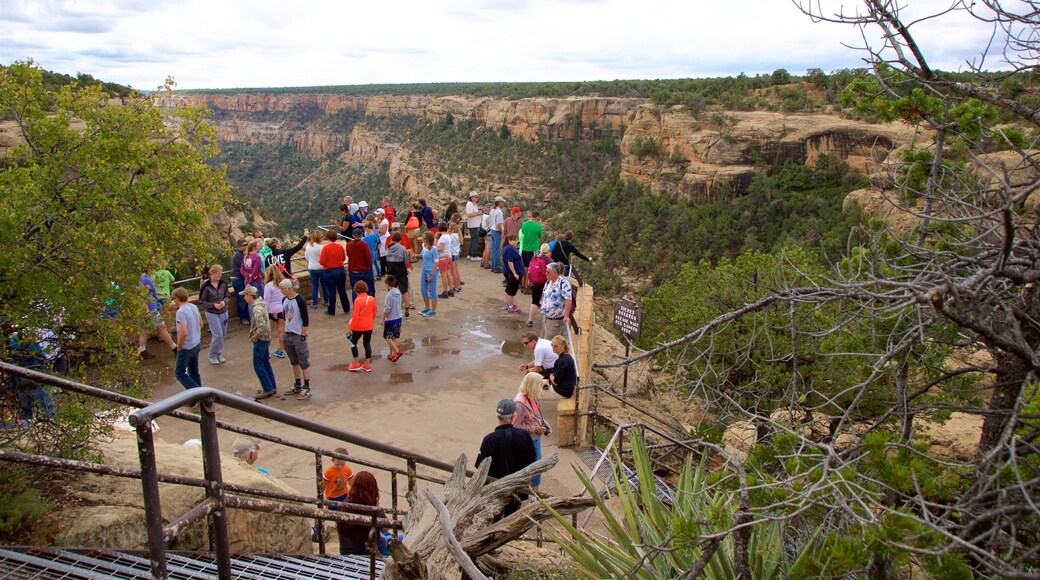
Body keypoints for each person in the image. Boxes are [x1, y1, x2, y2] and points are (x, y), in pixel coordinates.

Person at [476, 398, 537, 519]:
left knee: (495, 519)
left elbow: (480, 466)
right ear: (514, 415)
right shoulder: (524, 435)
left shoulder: (489, 439)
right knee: (512, 519)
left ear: (497, 416)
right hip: (518, 487)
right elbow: (532, 458)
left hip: (496, 488)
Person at [512, 372, 551, 495]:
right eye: (539, 384)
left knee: (537, 466)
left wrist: (546, 426)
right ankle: (531, 494)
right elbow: (515, 425)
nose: (541, 387)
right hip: (527, 440)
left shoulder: (533, 398)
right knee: (531, 467)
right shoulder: (519, 403)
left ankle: (534, 492)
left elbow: (537, 416)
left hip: (535, 439)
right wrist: (535, 429)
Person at [336, 471, 388, 556]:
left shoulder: (343, 506)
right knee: (399, 538)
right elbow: (386, 528)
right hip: (370, 554)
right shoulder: (375, 510)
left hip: (346, 554)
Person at [243, 286, 277, 400]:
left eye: (245, 295)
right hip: (267, 338)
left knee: (258, 365)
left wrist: (255, 336)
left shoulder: (256, 309)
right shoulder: (261, 303)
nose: (244, 297)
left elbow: (261, 328)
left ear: (249, 296)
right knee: (265, 362)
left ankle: (267, 388)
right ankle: (271, 386)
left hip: (261, 340)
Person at [280, 279, 312, 400]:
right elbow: (284, 316)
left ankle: (307, 386)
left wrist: (303, 334)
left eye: (283, 288)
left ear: (288, 288)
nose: (281, 291)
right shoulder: (284, 300)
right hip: (288, 334)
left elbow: (305, 319)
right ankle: (298, 384)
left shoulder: (300, 300)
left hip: (298, 335)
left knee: (303, 361)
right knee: (294, 361)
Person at [138, 268, 177, 359]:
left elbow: (150, 291)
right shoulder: (145, 279)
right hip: (151, 309)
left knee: (145, 329)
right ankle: (175, 348)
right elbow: (141, 294)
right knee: (162, 327)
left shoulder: (145, 278)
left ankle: (142, 350)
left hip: (150, 307)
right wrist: (146, 308)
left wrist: (160, 293)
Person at [198, 264, 230, 365]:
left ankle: (219, 353)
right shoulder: (205, 286)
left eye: (220, 274)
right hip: (212, 313)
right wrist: (213, 305)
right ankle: (212, 354)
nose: (219, 276)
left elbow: (227, 296)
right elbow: (202, 301)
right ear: (211, 274)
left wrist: (224, 302)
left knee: (223, 334)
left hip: (224, 311)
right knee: (218, 335)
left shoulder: (223, 284)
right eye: (217, 274)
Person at [172, 288, 203, 391]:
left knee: (179, 373)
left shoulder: (180, 312)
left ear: (176, 298)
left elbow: (183, 332)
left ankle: (199, 395)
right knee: (194, 371)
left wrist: (179, 345)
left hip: (187, 347)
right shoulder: (193, 307)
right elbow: (201, 323)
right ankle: (201, 394)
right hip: (196, 343)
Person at [347, 280, 376, 372]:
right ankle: (367, 364)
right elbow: (374, 312)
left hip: (359, 326)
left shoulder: (357, 301)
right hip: (369, 325)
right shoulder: (371, 299)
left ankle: (356, 363)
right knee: (367, 344)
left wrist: (351, 328)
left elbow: (355, 316)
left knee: (353, 343)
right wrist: (371, 321)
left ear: (356, 291)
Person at [320, 229, 350, 315]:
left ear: (328, 238)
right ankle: (346, 308)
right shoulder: (340, 247)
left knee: (331, 292)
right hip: (340, 270)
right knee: (342, 290)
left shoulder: (325, 248)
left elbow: (322, 261)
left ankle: (331, 310)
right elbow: (343, 258)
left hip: (329, 271)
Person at [540, 262, 573, 340]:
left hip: (555, 321)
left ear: (555, 273)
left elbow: (568, 299)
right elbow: (544, 293)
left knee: (549, 344)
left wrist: (566, 316)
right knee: (542, 341)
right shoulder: (548, 282)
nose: (545, 273)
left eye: (548, 272)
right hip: (545, 318)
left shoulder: (563, 283)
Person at [385, 230, 411, 318]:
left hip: (391, 270)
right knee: (404, 291)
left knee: (391, 291)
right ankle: (407, 311)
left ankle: (392, 309)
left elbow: (386, 259)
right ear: (400, 239)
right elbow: (406, 261)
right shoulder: (402, 248)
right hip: (400, 271)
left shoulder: (389, 248)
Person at [263, 267, 288, 359]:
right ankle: (281, 350)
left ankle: (266, 351)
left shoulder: (268, 285)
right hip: (282, 309)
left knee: (268, 332)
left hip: (272, 311)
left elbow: (266, 300)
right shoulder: (282, 283)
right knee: (281, 331)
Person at [346, 229, 375, 304]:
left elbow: (348, 255)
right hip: (365, 270)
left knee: (355, 290)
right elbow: (369, 258)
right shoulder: (365, 245)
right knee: (367, 289)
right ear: (361, 235)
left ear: (353, 235)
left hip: (354, 271)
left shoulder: (348, 245)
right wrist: (369, 267)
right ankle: (368, 305)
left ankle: (356, 306)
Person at [380, 275, 405, 362]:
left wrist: (383, 319)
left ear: (387, 284)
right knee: (395, 336)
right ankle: (393, 354)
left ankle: (396, 351)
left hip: (391, 319)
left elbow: (387, 309)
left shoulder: (389, 295)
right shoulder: (398, 292)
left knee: (387, 336)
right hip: (398, 317)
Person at [526, 244, 550, 328]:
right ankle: (545, 322)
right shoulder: (549, 261)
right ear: (548, 251)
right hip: (545, 284)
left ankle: (530, 320)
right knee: (545, 302)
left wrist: (529, 280)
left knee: (534, 302)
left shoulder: (534, 258)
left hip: (534, 283)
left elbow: (529, 270)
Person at [519, 211, 543, 292]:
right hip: (532, 249)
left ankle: (523, 285)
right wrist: (540, 224)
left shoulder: (524, 224)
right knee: (531, 268)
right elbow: (540, 236)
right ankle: (527, 287)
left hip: (524, 248)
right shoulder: (538, 226)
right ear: (537, 217)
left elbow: (523, 232)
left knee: (525, 267)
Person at [502, 235, 525, 314]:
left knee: (510, 289)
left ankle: (509, 304)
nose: (516, 241)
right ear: (510, 240)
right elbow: (510, 262)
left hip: (511, 272)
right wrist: (515, 273)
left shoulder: (510, 248)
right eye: (514, 240)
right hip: (512, 273)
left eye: (517, 240)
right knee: (511, 290)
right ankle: (510, 306)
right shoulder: (509, 249)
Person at [305, 229, 327, 309]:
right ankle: (326, 301)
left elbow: (306, 257)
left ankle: (314, 303)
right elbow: (323, 258)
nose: (322, 238)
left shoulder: (308, 246)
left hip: (311, 267)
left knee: (314, 285)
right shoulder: (320, 247)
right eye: (321, 236)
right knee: (324, 284)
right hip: (320, 267)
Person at [419, 231, 439, 317]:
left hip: (431, 271)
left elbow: (436, 262)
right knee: (423, 289)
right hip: (424, 270)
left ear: (428, 239)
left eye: (424, 238)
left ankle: (433, 310)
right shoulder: (424, 246)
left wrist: (431, 274)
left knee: (432, 290)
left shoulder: (434, 249)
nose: (422, 239)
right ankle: (427, 307)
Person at [230, 239, 250, 324]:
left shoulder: (241, 254)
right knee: (240, 298)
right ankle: (243, 317)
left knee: (244, 297)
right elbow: (244, 266)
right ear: (239, 246)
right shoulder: (238, 255)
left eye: (247, 244)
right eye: (244, 245)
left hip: (240, 278)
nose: (246, 246)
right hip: (237, 278)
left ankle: (246, 316)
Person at [488, 197, 506, 273]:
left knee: (493, 250)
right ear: (499, 203)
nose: (503, 204)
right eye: (502, 202)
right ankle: (497, 267)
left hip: (492, 231)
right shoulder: (499, 212)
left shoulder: (492, 210)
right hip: (497, 231)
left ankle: (493, 266)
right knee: (497, 250)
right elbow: (498, 224)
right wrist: (502, 232)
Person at [436, 227, 454, 299]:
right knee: (449, 274)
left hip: (443, 258)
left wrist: (435, 246)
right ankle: (451, 290)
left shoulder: (442, 238)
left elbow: (441, 249)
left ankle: (445, 292)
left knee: (444, 276)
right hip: (449, 256)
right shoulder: (448, 236)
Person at [465, 192, 483, 260]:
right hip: (473, 225)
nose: (477, 198)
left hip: (475, 224)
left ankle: (470, 254)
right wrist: (478, 213)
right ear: (471, 197)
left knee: (473, 240)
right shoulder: (469, 204)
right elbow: (469, 215)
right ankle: (474, 256)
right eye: (475, 197)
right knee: (476, 240)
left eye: (477, 197)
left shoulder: (474, 204)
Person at [448, 222, 463, 294]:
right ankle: (458, 285)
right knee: (456, 271)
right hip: (456, 254)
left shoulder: (452, 236)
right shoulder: (458, 235)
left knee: (453, 272)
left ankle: (456, 286)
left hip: (453, 255)